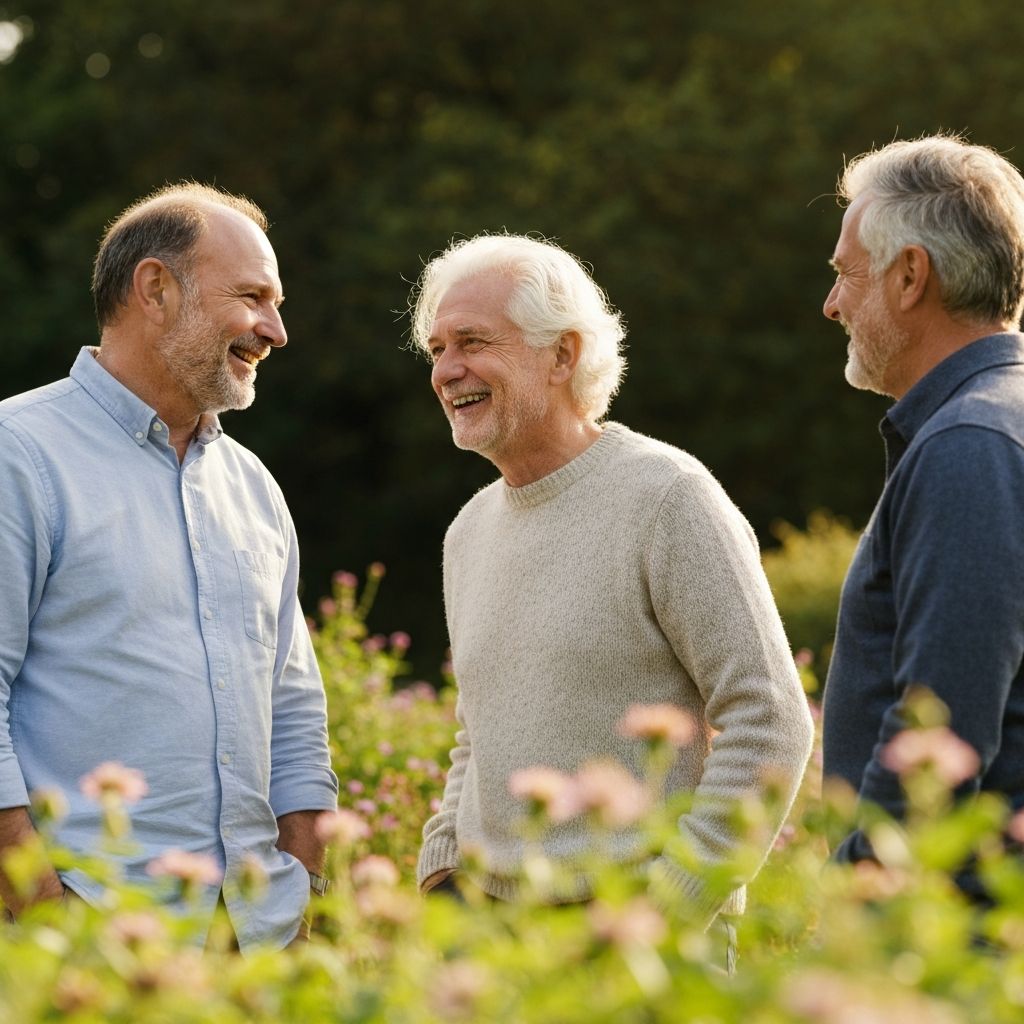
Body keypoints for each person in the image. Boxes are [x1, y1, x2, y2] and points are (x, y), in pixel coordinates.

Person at [410, 233, 814, 932]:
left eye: (472, 341)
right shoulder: (468, 531)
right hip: (484, 936)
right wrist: (442, 862)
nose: (448, 370)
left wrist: (671, 906)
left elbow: (770, 717)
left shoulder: (668, 497)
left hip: (639, 942)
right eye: (437, 349)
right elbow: (479, 730)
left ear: (562, 354)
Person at [0, 184, 338, 950]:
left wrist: (306, 890)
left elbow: (293, 706)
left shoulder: (254, 486)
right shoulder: (17, 454)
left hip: (258, 939)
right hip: (89, 941)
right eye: (252, 297)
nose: (277, 331)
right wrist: (44, 913)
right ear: (155, 288)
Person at [821, 135, 1024, 893]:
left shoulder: (970, 444)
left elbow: (937, 735)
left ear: (910, 275)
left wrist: (854, 913)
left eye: (845, 273)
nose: (831, 303)